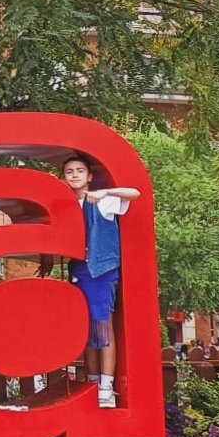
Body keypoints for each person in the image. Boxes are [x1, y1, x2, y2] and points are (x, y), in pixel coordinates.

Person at [42, 154, 140, 408]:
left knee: (102, 326)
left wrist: (105, 192)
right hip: (79, 270)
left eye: (80, 171)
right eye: (69, 172)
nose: (74, 175)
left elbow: (135, 193)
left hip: (101, 270)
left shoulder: (102, 201)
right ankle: (93, 382)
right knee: (86, 329)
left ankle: (106, 387)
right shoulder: (65, 206)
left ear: (89, 176)